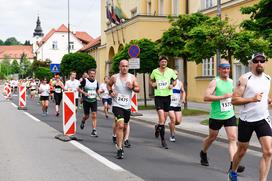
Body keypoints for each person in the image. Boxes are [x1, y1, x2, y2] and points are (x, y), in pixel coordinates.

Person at [229, 53, 272, 181]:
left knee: (268, 151)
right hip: (246, 120)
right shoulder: (245, 79)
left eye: (262, 61)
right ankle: (233, 171)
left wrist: (268, 101)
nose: (259, 63)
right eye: (256, 61)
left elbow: (264, 97)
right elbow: (234, 100)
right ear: (251, 63)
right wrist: (252, 99)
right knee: (242, 150)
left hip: (263, 119)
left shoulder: (268, 78)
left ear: (265, 62)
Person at [199, 59, 245, 173]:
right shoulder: (215, 82)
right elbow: (206, 97)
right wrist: (223, 96)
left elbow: (236, 95)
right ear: (219, 69)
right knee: (212, 137)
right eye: (223, 68)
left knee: (233, 138)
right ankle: (203, 152)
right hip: (216, 115)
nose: (226, 70)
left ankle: (233, 165)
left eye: (228, 68)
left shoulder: (231, 81)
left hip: (229, 114)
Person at [108, 59, 140, 159]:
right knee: (120, 125)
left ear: (128, 67)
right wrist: (110, 91)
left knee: (125, 126)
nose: (124, 68)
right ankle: (120, 148)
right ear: (119, 67)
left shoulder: (132, 77)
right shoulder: (114, 77)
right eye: (123, 66)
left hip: (127, 105)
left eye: (126, 66)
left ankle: (120, 142)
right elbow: (109, 85)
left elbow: (138, 89)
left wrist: (132, 87)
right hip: (117, 104)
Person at [150, 56, 177, 149]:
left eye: (165, 62)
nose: (164, 63)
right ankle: (163, 140)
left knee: (163, 120)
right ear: (159, 63)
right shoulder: (155, 71)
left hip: (167, 96)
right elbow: (151, 80)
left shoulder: (170, 71)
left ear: (167, 63)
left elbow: (175, 80)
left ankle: (158, 127)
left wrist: (172, 85)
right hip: (158, 96)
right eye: (162, 62)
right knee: (162, 118)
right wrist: (153, 84)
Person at [78, 69, 100, 137]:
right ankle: (83, 121)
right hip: (86, 100)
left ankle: (94, 130)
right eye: (91, 73)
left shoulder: (96, 82)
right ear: (89, 74)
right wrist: (84, 93)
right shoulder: (85, 81)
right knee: (86, 116)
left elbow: (97, 90)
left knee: (94, 115)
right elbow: (78, 88)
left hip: (94, 100)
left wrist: (99, 94)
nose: (92, 75)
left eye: (94, 74)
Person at [168, 70, 186, 142]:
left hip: (177, 104)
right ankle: (172, 135)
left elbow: (183, 91)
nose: (175, 75)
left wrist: (183, 98)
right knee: (173, 119)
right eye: (174, 74)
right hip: (169, 104)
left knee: (178, 121)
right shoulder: (168, 82)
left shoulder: (180, 83)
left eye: (177, 74)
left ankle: (171, 124)